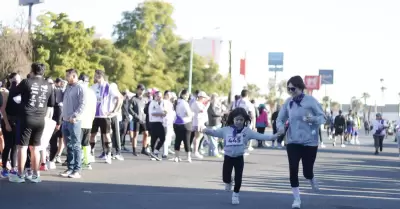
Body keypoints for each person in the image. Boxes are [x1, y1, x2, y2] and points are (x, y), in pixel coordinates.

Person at [202, 107, 278, 205]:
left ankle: (236, 195)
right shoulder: (226, 130)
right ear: (233, 119)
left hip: (239, 157)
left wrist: (274, 136)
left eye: (241, 120)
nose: (239, 122)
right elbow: (215, 133)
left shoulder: (247, 131)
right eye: (237, 119)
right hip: (228, 157)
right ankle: (229, 181)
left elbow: (261, 136)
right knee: (226, 178)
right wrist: (205, 130)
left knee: (238, 178)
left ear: (245, 120)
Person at [276, 75, 325, 209]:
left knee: (307, 171)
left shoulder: (311, 101)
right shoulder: (288, 102)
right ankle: (296, 199)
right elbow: (279, 119)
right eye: (288, 89)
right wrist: (280, 127)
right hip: (292, 141)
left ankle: (311, 178)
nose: (290, 91)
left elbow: (323, 118)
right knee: (293, 168)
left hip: (310, 142)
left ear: (300, 87)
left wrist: (313, 119)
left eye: (293, 89)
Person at [9, 63, 55, 183]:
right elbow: (52, 103)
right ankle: (35, 175)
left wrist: (14, 82)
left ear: (32, 71)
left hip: (26, 118)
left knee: (22, 148)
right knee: (35, 148)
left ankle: (20, 175)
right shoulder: (49, 85)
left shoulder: (26, 82)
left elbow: (13, 93)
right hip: (40, 119)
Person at [89, 70, 121, 164]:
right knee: (92, 135)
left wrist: (114, 111)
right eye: (95, 75)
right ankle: (91, 153)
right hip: (95, 115)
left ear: (101, 76)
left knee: (106, 135)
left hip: (104, 116)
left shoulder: (108, 87)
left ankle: (108, 154)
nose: (95, 77)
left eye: (96, 76)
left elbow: (119, 98)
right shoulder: (93, 87)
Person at [59, 69, 85, 178]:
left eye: (67, 76)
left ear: (74, 76)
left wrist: (75, 116)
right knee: (68, 145)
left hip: (74, 121)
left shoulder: (80, 88)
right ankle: (70, 167)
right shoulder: (68, 87)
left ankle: (77, 170)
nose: (66, 78)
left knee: (75, 145)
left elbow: (83, 104)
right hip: (65, 120)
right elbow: (61, 101)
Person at [0, 73, 21, 177]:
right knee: (8, 145)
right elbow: (2, 109)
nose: (17, 81)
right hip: (7, 121)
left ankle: (13, 167)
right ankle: (4, 168)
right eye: (15, 79)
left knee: (15, 146)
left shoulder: (20, 92)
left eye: (18, 79)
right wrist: (7, 124)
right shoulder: (6, 92)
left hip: (17, 121)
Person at [77, 73, 96, 170]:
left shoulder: (80, 90)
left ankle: (79, 162)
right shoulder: (92, 92)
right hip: (89, 121)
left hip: (80, 120)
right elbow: (94, 108)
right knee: (85, 143)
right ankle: (87, 161)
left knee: (79, 143)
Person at [128, 84, 149, 156]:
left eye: (143, 90)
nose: (141, 91)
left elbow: (146, 109)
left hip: (144, 119)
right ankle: (134, 150)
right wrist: (135, 116)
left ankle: (144, 149)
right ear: (137, 90)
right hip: (136, 120)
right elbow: (129, 109)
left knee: (146, 134)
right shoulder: (133, 99)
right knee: (135, 135)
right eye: (140, 89)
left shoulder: (145, 99)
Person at [173, 89, 193, 162]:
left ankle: (176, 157)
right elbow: (189, 113)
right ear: (182, 95)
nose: (188, 97)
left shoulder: (176, 102)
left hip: (177, 122)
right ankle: (188, 157)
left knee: (177, 140)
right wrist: (192, 114)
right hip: (185, 123)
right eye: (187, 95)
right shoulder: (184, 103)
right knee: (187, 141)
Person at [190, 91, 210, 159]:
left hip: (200, 121)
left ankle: (196, 151)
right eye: (204, 97)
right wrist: (207, 105)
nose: (204, 99)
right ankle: (195, 151)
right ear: (201, 97)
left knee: (199, 137)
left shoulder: (197, 103)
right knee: (198, 137)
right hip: (198, 122)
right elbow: (202, 110)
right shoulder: (196, 103)